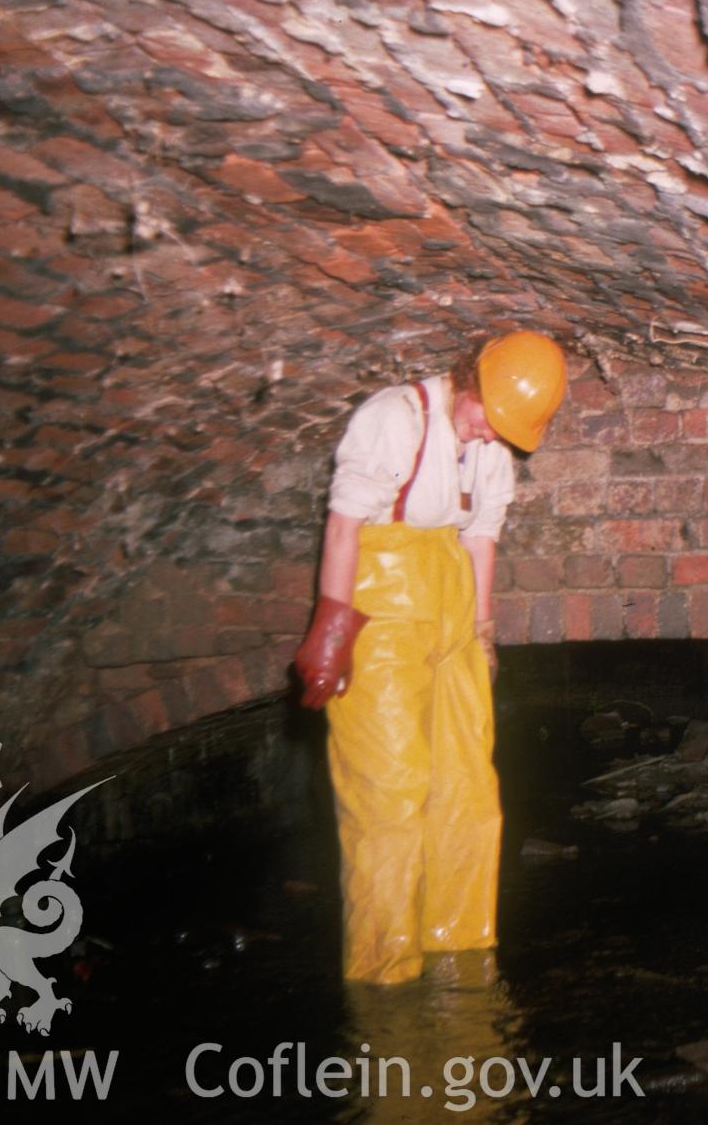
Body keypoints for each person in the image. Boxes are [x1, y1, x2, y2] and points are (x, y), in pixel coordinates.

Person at [293, 330, 568, 984]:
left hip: (450, 601)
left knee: (467, 785)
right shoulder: (394, 419)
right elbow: (343, 526)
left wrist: (481, 631)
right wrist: (332, 631)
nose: (487, 435)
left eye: (502, 428)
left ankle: (460, 946)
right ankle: (385, 968)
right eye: (485, 418)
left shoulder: (490, 448)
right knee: (388, 790)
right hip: (378, 607)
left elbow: (479, 540)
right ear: (468, 382)